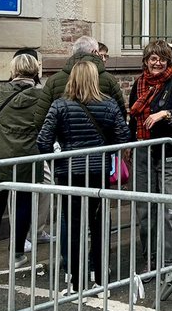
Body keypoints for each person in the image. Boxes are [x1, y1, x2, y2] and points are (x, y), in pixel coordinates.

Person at [37, 61, 132, 291]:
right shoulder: (108, 105)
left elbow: (43, 141)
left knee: (73, 223)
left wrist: (57, 157)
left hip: (68, 171)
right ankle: (100, 276)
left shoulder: (60, 106)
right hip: (98, 170)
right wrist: (106, 150)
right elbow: (123, 136)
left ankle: (77, 279)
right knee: (99, 223)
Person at [127, 41, 172, 270]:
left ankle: (171, 261)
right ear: (146, 61)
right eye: (153, 59)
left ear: (168, 60)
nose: (157, 63)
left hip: (169, 154)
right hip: (143, 153)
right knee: (145, 209)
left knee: (170, 210)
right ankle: (150, 259)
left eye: (161, 59)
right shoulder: (139, 84)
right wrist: (129, 144)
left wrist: (167, 114)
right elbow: (133, 120)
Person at [0, 50, 49, 268]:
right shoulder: (41, 97)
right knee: (22, 204)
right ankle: (18, 253)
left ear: (13, 70)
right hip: (27, 156)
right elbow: (44, 127)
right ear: (35, 70)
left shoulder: (1, 92)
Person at [44, 36, 126, 118]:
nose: (103, 59)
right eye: (100, 55)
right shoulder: (109, 80)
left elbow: (42, 117)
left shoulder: (53, 81)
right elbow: (120, 114)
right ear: (94, 52)